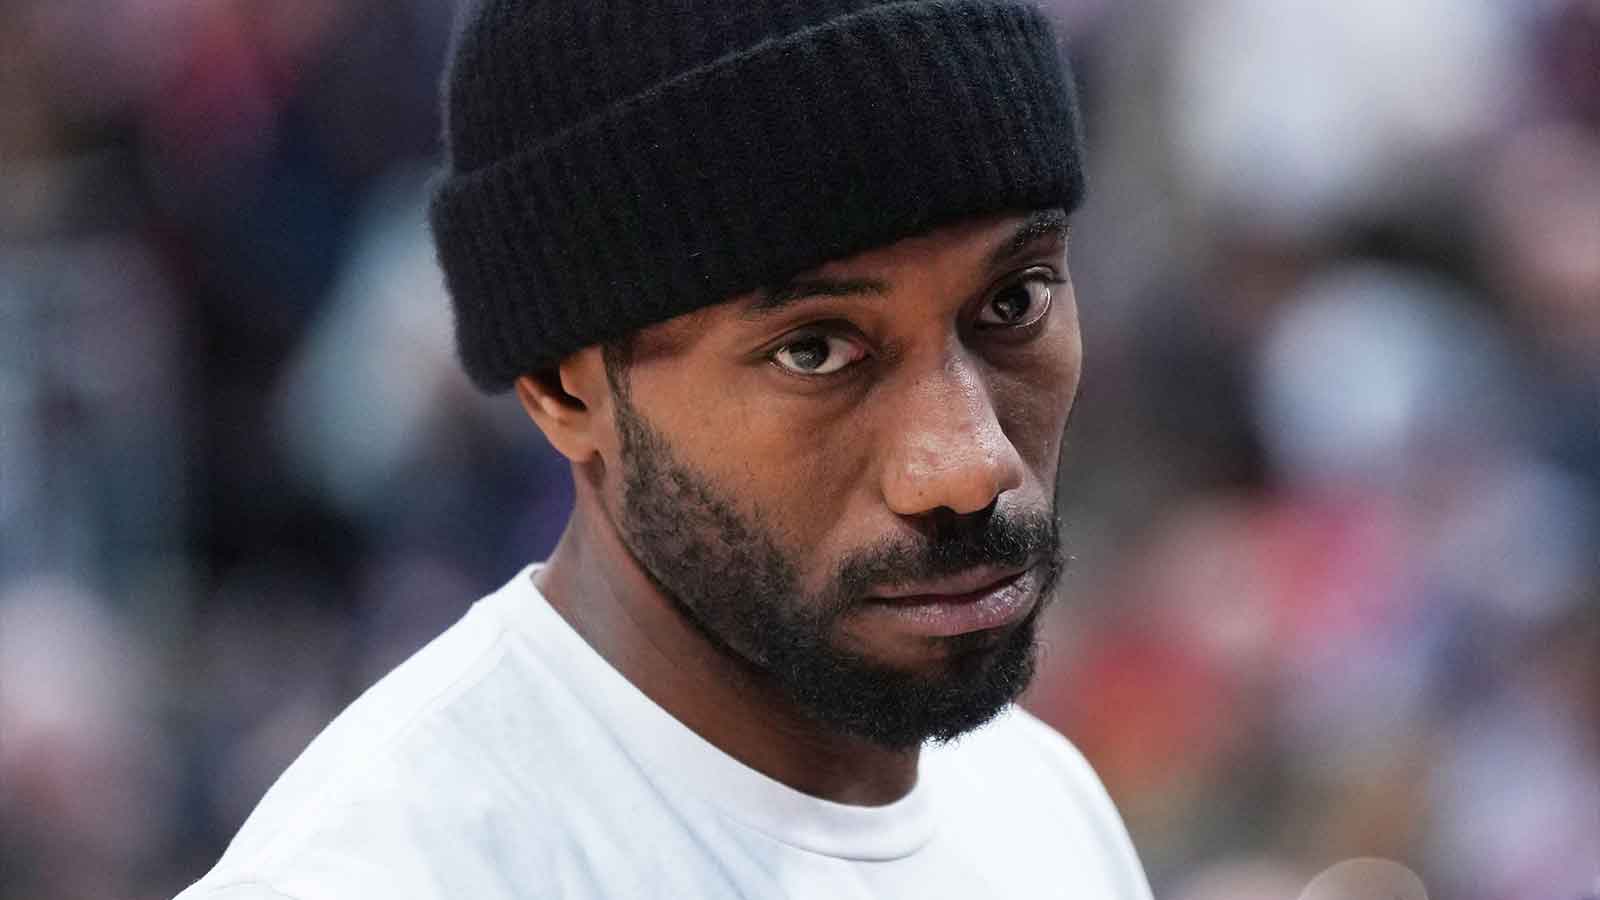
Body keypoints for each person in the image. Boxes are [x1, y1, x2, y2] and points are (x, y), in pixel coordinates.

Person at [178, 1, 1155, 897]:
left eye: (1013, 302)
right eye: (815, 350)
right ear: (565, 387)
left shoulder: (1039, 806)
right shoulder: (388, 874)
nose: (967, 464)